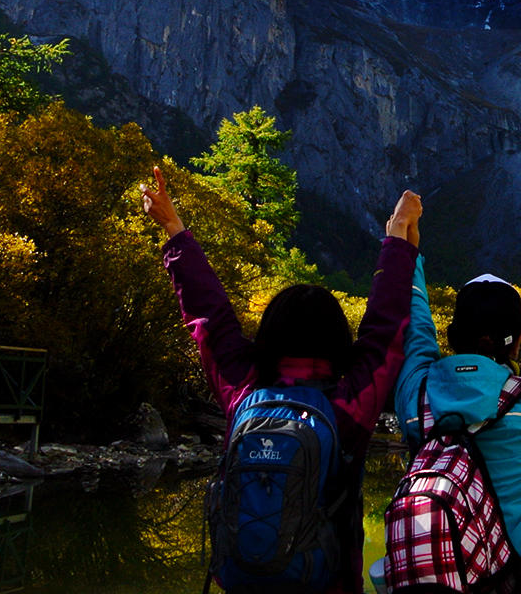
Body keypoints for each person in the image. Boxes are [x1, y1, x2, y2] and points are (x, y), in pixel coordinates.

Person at [142, 166, 418, 594]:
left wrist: (174, 227)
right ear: (337, 340)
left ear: (269, 333)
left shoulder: (244, 391)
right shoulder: (350, 404)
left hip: (243, 580)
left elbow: (209, 316)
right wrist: (398, 235)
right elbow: (385, 327)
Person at [393, 199, 521, 594]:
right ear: (519, 340)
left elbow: (414, 330)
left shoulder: (416, 399)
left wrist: (407, 253)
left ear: (452, 337)